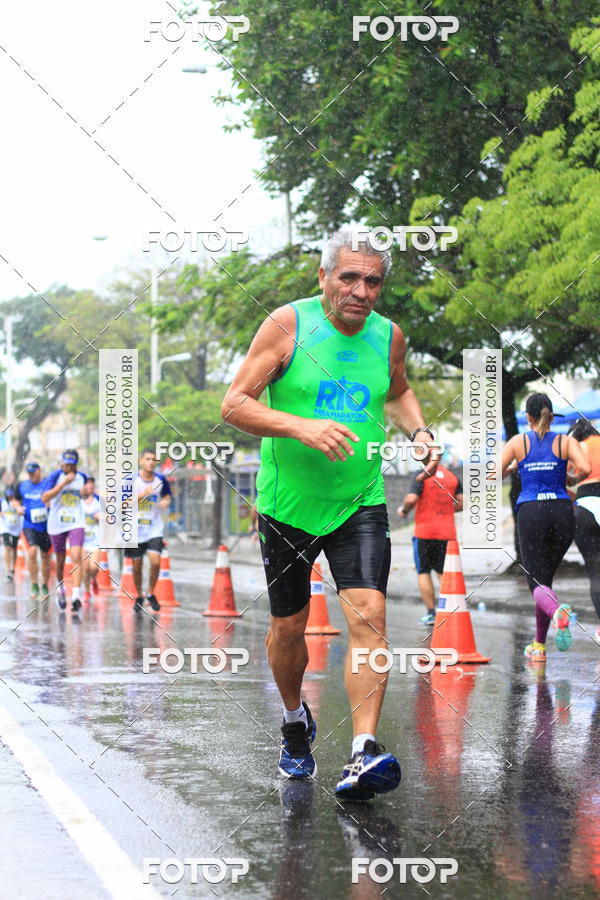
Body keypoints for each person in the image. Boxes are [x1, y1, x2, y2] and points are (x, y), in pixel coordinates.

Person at [222, 226, 439, 801]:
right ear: (323, 276)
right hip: (288, 505)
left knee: (369, 616)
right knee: (289, 629)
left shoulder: (389, 336)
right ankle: (295, 719)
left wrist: (417, 428)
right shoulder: (287, 325)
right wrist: (303, 426)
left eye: (372, 281)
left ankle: (363, 751)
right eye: (349, 277)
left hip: (359, 501)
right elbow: (235, 404)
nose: (361, 291)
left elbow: (396, 390)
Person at [502, 393, 590, 661]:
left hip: (532, 514)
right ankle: (539, 645)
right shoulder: (565, 441)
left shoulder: (519, 442)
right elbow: (585, 468)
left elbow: (493, 473)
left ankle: (558, 613)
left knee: (536, 583)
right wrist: (568, 476)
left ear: (528, 418)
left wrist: (515, 468)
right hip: (563, 513)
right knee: (545, 582)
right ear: (551, 416)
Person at [398, 456, 463, 625]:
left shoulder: (421, 474)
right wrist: (445, 509)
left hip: (425, 533)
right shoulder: (452, 476)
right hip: (447, 533)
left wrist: (403, 511)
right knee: (445, 573)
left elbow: (411, 499)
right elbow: (461, 504)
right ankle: (450, 611)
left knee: (424, 571)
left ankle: (431, 613)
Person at [125, 448, 172, 612]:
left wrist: (165, 502)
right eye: (148, 459)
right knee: (136, 565)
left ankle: (151, 593)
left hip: (154, 528)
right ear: (141, 461)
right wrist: (141, 496)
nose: (151, 462)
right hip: (135, 529)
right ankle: (139, 595)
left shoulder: (161, 480)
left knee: (156, 562)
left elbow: (167, 496)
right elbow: (122, 503)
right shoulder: (132, 480)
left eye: (153, 459)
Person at [41, 449, 88, 612]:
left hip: (76, 522)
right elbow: (45, 497)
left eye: (71, 464)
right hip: (56, 523)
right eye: (65, 463)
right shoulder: (55, 477)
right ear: (62, 462)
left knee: (76, 555)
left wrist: (86, 493)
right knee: (60, 561)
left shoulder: (82, 477)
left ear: (75, 464)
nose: (68, 466)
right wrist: (63, 484)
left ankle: (76, 596)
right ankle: (61, 589)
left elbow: (88, 494)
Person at [568, 418, 600, 643]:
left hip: (586, 506)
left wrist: (573, 497)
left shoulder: (575, 447)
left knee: (596, 571)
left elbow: (560, 477)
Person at [12, 462, 52, 599]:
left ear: (39, 471)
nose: (31, 475)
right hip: (29, 525)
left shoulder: (48, 484)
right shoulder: (22, 485)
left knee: (46, 557)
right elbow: (16, 500)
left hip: (47, 526)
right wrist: (18, 508)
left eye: (33, 472)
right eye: (29, 473)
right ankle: (34, 584)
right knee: (32, 552)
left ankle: (45, 585)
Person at [81, 477, 101, 603]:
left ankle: (94, 580)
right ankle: (87, 592)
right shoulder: (78, 501)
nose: (89, 488)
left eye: (91, 486)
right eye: (87, 486)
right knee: (85, 569)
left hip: (96, 538)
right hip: (82, 540)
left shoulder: (99, 500)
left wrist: (101, 516)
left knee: (93, 567)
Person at [1, 486, 21, 580]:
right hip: (5, 528)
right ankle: (8, 569)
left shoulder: (17, 501)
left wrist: (17, 506)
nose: (10, 497)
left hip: (16, 528)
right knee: (7, 547)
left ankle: (13, 567)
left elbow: (21, 511)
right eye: (8, 495)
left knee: (14, 548)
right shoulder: (2, 502)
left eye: (11, 495)